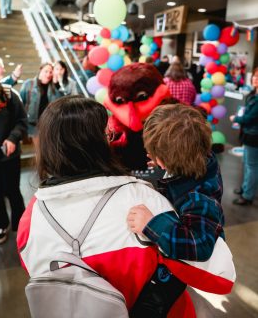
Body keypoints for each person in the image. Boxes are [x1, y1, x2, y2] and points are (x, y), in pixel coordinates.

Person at [17, 96, 235, 318]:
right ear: (96, 143)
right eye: (108, 133)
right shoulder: (145, 199)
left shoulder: (30, 217)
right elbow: (218, 275)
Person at [127, 103, 225, 315]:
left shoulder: (198, 199)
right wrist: (165, 165)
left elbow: (199, 245)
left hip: (182, 263)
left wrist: (151, 224)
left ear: (167, 160)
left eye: (153, 155)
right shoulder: (198, 159)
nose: (150, 157)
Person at [0, 65, 27, 245]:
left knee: (13, 190)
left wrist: (13, 138)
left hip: (9, 155)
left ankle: (20, 223)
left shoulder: (7, 92)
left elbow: (22, 120)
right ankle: (1, 224)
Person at [230, 66, 258, 205]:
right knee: (247, 164)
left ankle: (248, 195)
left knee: (252, 166)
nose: (255, 79)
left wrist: (235, 119)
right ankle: (245, 188)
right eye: (254, 76)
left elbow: (249, 118)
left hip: (254, 137)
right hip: (249, 135)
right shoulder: (253, 96)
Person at [19, 62, 60, 136]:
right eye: (46, 71)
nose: (48, 74)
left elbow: (58, 104)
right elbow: (20, 104)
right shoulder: (28, 84)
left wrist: (56, 83)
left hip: (47, 125)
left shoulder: (54, 87)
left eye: (51, 72)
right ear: (40, 70)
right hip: (30, 125)